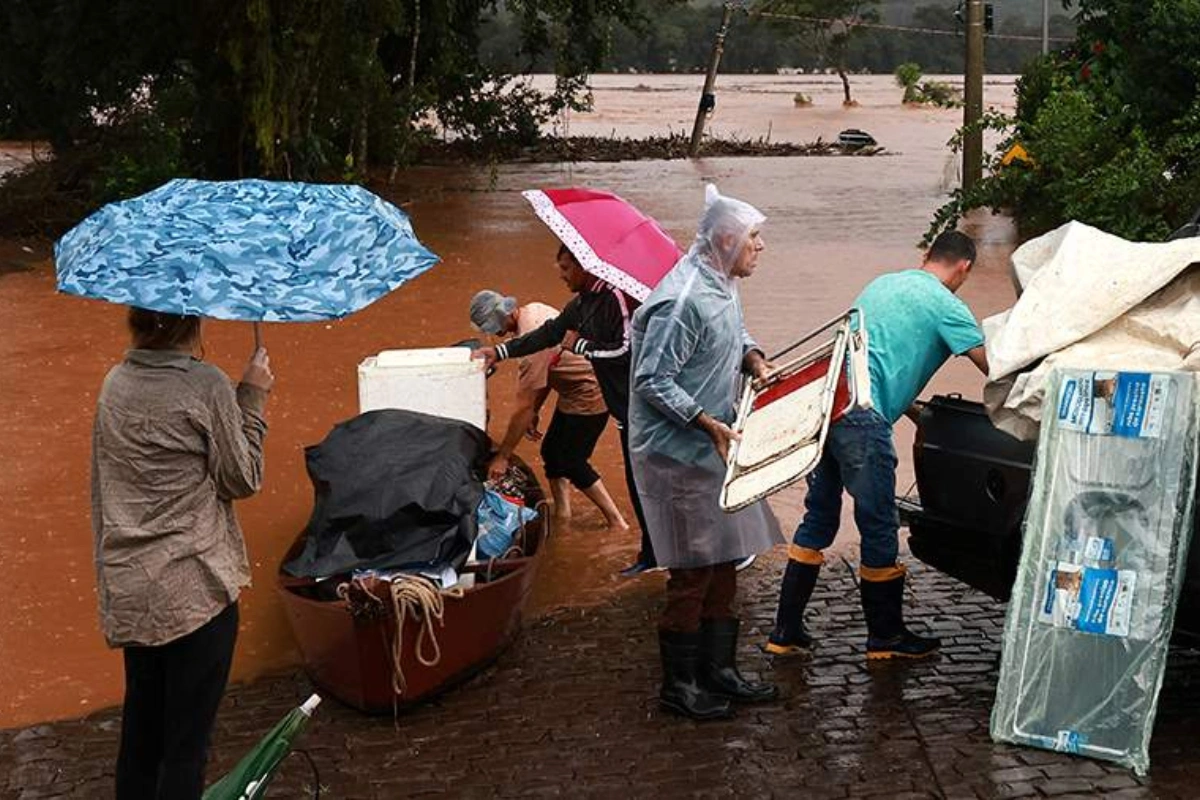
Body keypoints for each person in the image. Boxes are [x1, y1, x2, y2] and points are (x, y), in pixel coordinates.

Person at [766, 230, 989, 661]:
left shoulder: (880, 285)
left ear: (926, 255)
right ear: (964, 268)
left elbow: (867, 358)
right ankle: (886, 637)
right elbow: (992, 368)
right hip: (864, 421)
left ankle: (785, 631)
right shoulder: (948, 305)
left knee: (819, 517)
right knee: (880, 522)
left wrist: (909, 409)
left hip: (829, 407)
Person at [92, 308, 273, 799]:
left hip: (135, 591)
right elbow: (243, 478)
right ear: (193, 321)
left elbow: (107, 489)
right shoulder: (206, 385)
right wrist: (252, 394)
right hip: (196, 593)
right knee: (186, 748)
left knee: (141, 738)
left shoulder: (115, 383)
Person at [628, 184, 784, 721]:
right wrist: (703, 421)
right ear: (725, 240)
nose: (760, 248)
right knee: (692, 569)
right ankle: (679, 684)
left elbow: (735, 332)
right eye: (753, 238)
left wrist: (756, 360)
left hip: (713, 442)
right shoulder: (683, 298)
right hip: (676, 452)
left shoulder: (722, 283)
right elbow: (652, 378)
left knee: (726, 559)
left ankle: (718, 670)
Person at [473, 244, 658, 575]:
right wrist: (499, 352)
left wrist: (503, 455)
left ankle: (624, 529)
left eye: (565, 268)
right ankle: (570, 519)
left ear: (585, 267)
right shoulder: (572, 306)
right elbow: (550, 338)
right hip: (597, 397)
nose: (559, 275)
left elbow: (623, 352)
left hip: (604, 397)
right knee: (557, 455)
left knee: (572, 460)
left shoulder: (612, 300)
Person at [469, 289, 628, 529]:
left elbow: (523, 405)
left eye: (493, 326)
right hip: (573, 390)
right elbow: (547, 372)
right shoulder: (533, 309)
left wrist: (502, 456)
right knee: (551, 453)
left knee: (573, 461)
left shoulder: (530, 342)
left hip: (590, 392)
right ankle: (563, 514)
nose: (494, 333)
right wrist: (536, 409)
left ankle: (616, 521)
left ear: (506, 315)